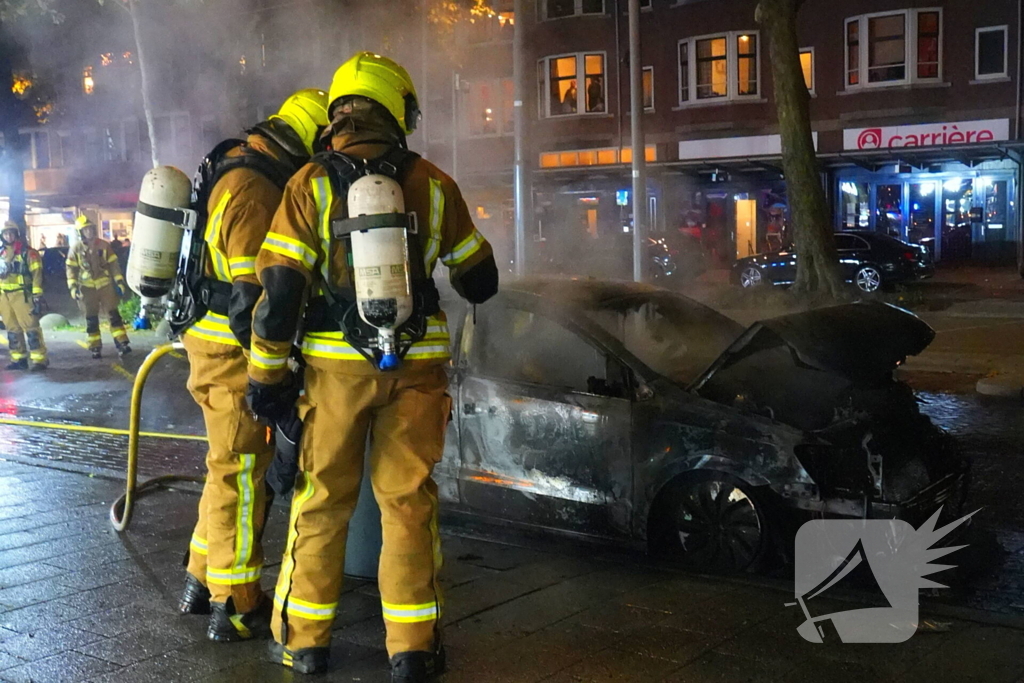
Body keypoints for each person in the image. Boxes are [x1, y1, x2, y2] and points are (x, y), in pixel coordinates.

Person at [247, 52, 498, 679]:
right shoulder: (436, 183)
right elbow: (481, 281)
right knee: (408, 504)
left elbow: (278, 294)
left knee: (321, 501)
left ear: (339, 114)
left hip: (333, 375)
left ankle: (305, 644)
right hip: (417, 371)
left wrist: (266, 377)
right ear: (397, 110)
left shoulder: (308, 184)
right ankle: (411, 650)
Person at [176, 88, 330, 643]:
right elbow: (252, 303)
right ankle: (235, 603)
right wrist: (274, 371)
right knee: (241, 473)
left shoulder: (236, 168)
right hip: (230, 353)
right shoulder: (258, 190)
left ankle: (199, 576)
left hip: (208, 342)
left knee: (225, 466)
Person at [65, 215, 131, 359]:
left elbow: (114, 264)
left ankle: (122, 344)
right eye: (85, 230)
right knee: (91, 319)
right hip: (86, 288)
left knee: (113, 315)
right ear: (80, 232)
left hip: (105, 285)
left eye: (90, 229)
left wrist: (119, 282)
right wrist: (73, 287)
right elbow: (71, 269)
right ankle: (95, 347)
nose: (89, 232)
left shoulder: (103, 245)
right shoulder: (75, 249)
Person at [0, 221, 47, 371]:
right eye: (6, 234)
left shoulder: (28, 252)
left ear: (16, 234)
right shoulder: (1, 253)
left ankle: (39, 360)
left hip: (22, 295)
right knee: (12, 329)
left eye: (11, 233)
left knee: (31, 327)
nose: (8, 236)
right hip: (4, 297)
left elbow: (37, 273)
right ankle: (19, 359)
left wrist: (37, 294)